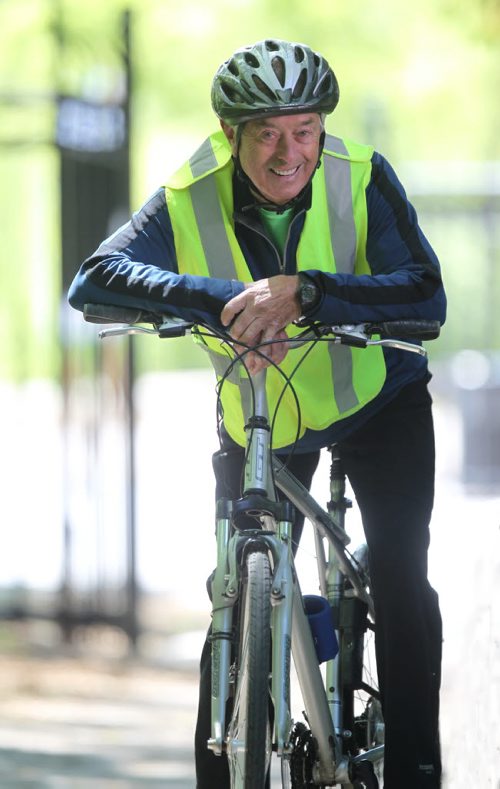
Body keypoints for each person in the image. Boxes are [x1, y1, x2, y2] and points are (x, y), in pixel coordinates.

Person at [68, 39, 446, 788]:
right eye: (267, 133)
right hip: (262, 414)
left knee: (403, 577)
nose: (288, 152)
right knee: (237, 592)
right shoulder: (187, 191)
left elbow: (424, 293)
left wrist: (304, 293)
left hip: (378, 399)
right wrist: (225, 302)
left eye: (304, 130)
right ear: (229, 130)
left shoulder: (361, 175)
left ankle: (417, 770)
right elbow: (96, 278)